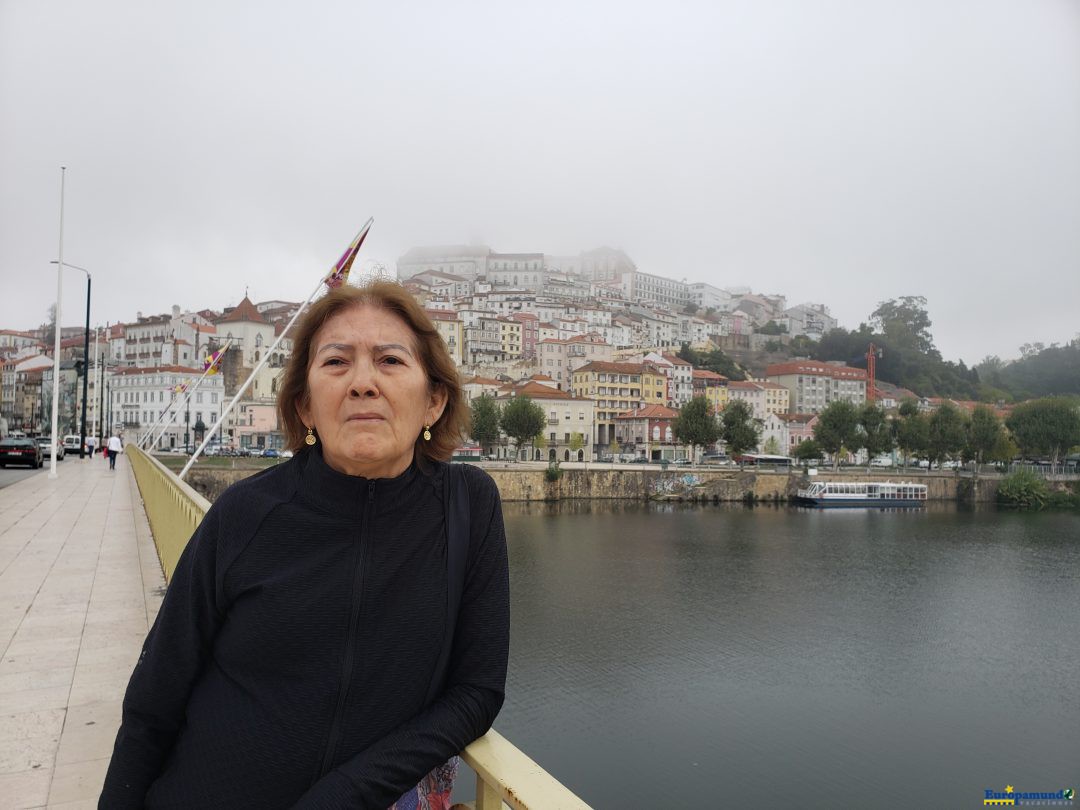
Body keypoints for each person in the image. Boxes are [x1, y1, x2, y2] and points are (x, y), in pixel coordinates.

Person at [100, 281, 509, 809]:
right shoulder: (245, 514)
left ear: (434, 400)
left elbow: (477, 691)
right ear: (306, 407)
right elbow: (153, 702)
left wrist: (346, 792)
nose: (363, 383)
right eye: (337, 363)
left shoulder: (468, 506)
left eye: (389, 360)